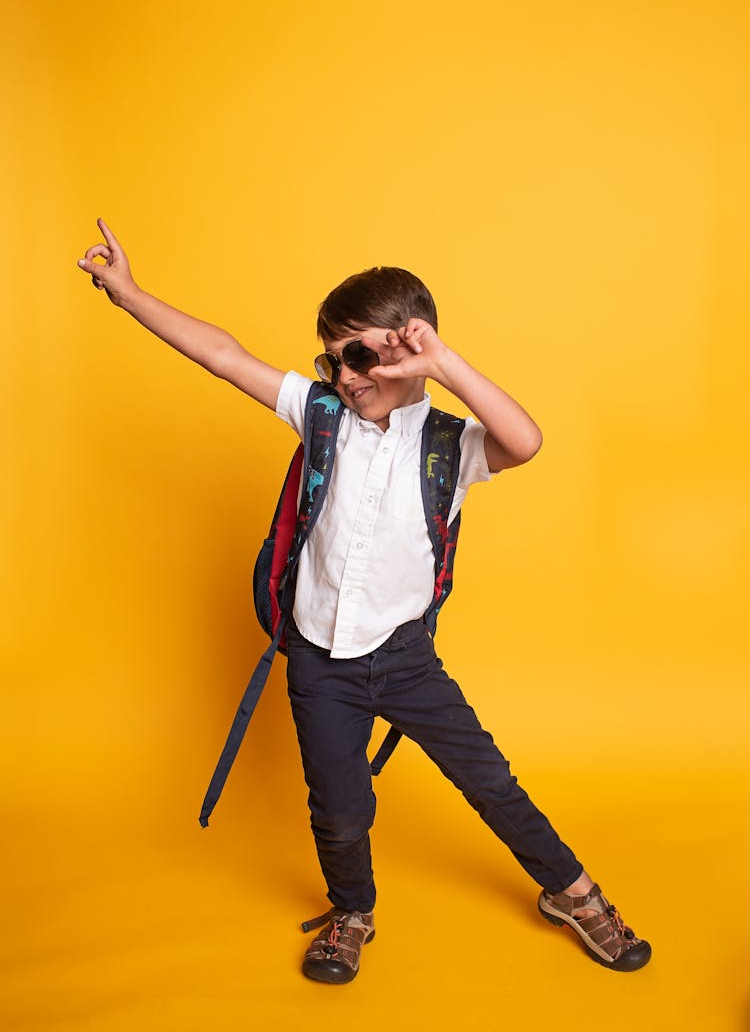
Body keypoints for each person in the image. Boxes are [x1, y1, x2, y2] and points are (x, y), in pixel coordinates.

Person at [77, 218, 651, 984]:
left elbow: (528, 439)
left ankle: (575, 894)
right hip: (319, 658)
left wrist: (443, 362)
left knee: (492, 782)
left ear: (410, 350)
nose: (344, 373)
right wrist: (130, 294)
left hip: (405, 659)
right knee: (339, 806)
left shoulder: (451, 443)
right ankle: (352, 909)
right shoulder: (319, 415)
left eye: (359, 355)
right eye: (331, 355)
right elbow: (222, 354)